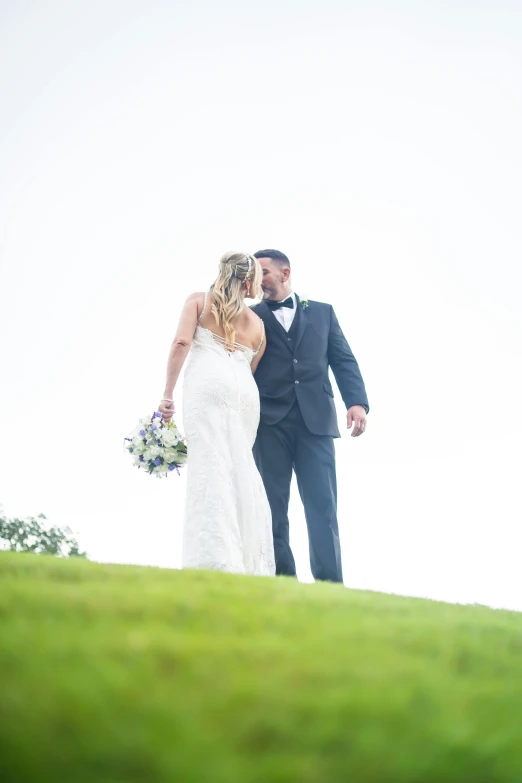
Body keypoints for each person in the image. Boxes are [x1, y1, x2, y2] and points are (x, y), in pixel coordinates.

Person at [251, 249, 369, 583]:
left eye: (264, 273)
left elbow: (343, 359)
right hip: (268, 424)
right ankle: (283, 581)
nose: (258, 280)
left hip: (316, 423)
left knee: (322, 508)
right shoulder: (249, 316)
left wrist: (356, 402)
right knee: (272, 508)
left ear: (285, 274)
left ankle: (330, 585)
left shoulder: (322, 312)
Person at [158, 252, 275, 576]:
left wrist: (167, 394)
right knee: (241, 468)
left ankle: (213, 557)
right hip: (243, 394)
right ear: (248, 280)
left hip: (208, 385)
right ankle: (247, 560)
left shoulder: (199, 301)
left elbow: (182, 342)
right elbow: (250, 367)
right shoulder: (259, 325)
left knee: (212, 467)